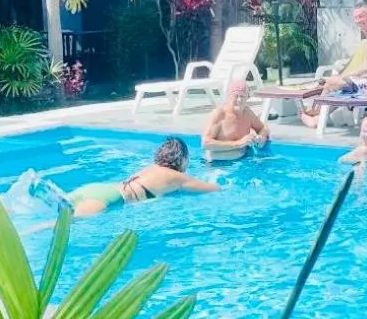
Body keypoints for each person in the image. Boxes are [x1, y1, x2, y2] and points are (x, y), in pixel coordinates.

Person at [301, 3, 367, 129]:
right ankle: (317, 116)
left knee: (333, 84)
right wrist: (344, 75)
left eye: (362, 16)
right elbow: (366, 67)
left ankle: (316, 115)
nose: (358, 20)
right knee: (332, 82)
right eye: (356, 17)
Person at [68, 136, 222, 216]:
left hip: (99, 189)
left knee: (63, 208)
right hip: (112, 198)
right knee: (59, 225)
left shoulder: (150, 169)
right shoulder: (174, 176)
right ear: (182, 159)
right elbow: (214, 189)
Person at [201, 79, 270, 161]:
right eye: (236, 96)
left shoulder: (247, 113)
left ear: (247, 98)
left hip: (242, 161)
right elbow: (206, 143)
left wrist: (261, 137)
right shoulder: (220, 114)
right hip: (217, 165)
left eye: (242, 96)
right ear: (229, 97)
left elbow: (263, 128)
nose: (239, 100)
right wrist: (239, 143)